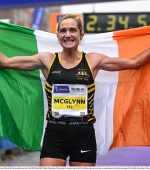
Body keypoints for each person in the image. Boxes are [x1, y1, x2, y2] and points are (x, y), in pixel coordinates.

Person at [0, 14, 150, 166]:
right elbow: (5, 62)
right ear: (57, 35)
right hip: (54, 133)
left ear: (81, 34)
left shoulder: (93, 60)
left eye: (72, 30)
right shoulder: (47, 60)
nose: (68, 35)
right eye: (63, 31)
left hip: (83, 134)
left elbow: (134, 62)